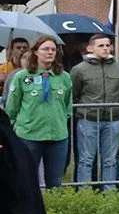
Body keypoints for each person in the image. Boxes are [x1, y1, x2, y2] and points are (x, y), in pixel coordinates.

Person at [4, 36, 73, 189]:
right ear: (36, 52)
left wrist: (59, 121)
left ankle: (53, 204)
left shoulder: (64, 77)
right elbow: (12, 108)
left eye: (53, 49)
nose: (50, 52)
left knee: (55, 182)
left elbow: (67, 107)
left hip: (57, 136)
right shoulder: (22, 77)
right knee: (26, 179)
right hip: (29, 135)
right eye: (46, 49)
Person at [70, 33, 119, 189]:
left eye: (108, 45)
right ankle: (85, 192)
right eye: (101, 45)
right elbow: (74, 94)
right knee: (86, 159)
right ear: (90, 48)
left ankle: (109, 192)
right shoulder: (79, 70)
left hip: (113, 120)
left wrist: (118, 112)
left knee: (110, 160)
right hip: (87, 120)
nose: (105, 48)